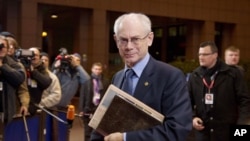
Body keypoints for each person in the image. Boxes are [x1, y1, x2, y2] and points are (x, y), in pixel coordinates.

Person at [90, 12, 192, 141]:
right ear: (116, 40)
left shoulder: (170, 76)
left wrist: (126, 138)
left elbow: (177, 129)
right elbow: (102, 123)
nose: (129, 46)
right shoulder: (118, 77)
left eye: (135, 39)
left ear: (150, 38)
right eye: (123, 40)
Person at [188, 41, 250, 141]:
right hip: (203, 132)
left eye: (205, 54)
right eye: (199, 54)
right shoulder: (195, 76)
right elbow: (187, 101)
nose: (201, 57)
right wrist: (192, 118)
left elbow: (244, 101)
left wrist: (241, 129)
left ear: (215, 55)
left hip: (227, 131)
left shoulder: (233, 74)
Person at [0, 35, 27, 138]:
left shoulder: (14, 64)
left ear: (7, 50)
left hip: (7, 112)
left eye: (4, 46)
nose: (1, 48)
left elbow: (19, 79)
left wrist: (3, 66)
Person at [79, 62, 110, 141]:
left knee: (99, 132)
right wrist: (81, 110)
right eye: (96, 69)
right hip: (88, 109)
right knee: (87, 132)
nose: (97, 71)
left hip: (100, 109)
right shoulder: (87, 82)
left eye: (99, 69)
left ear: (101, 70)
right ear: (92, 70)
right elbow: (82, 96)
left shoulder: (105, 82)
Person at [26, 47, 52, 115]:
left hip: (33, 108)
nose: (33, 56)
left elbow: (46, 82)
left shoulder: (42, 69)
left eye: (36, 55)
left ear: (40, 57)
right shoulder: (21, 67)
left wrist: (33, 72)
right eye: (31, 54)